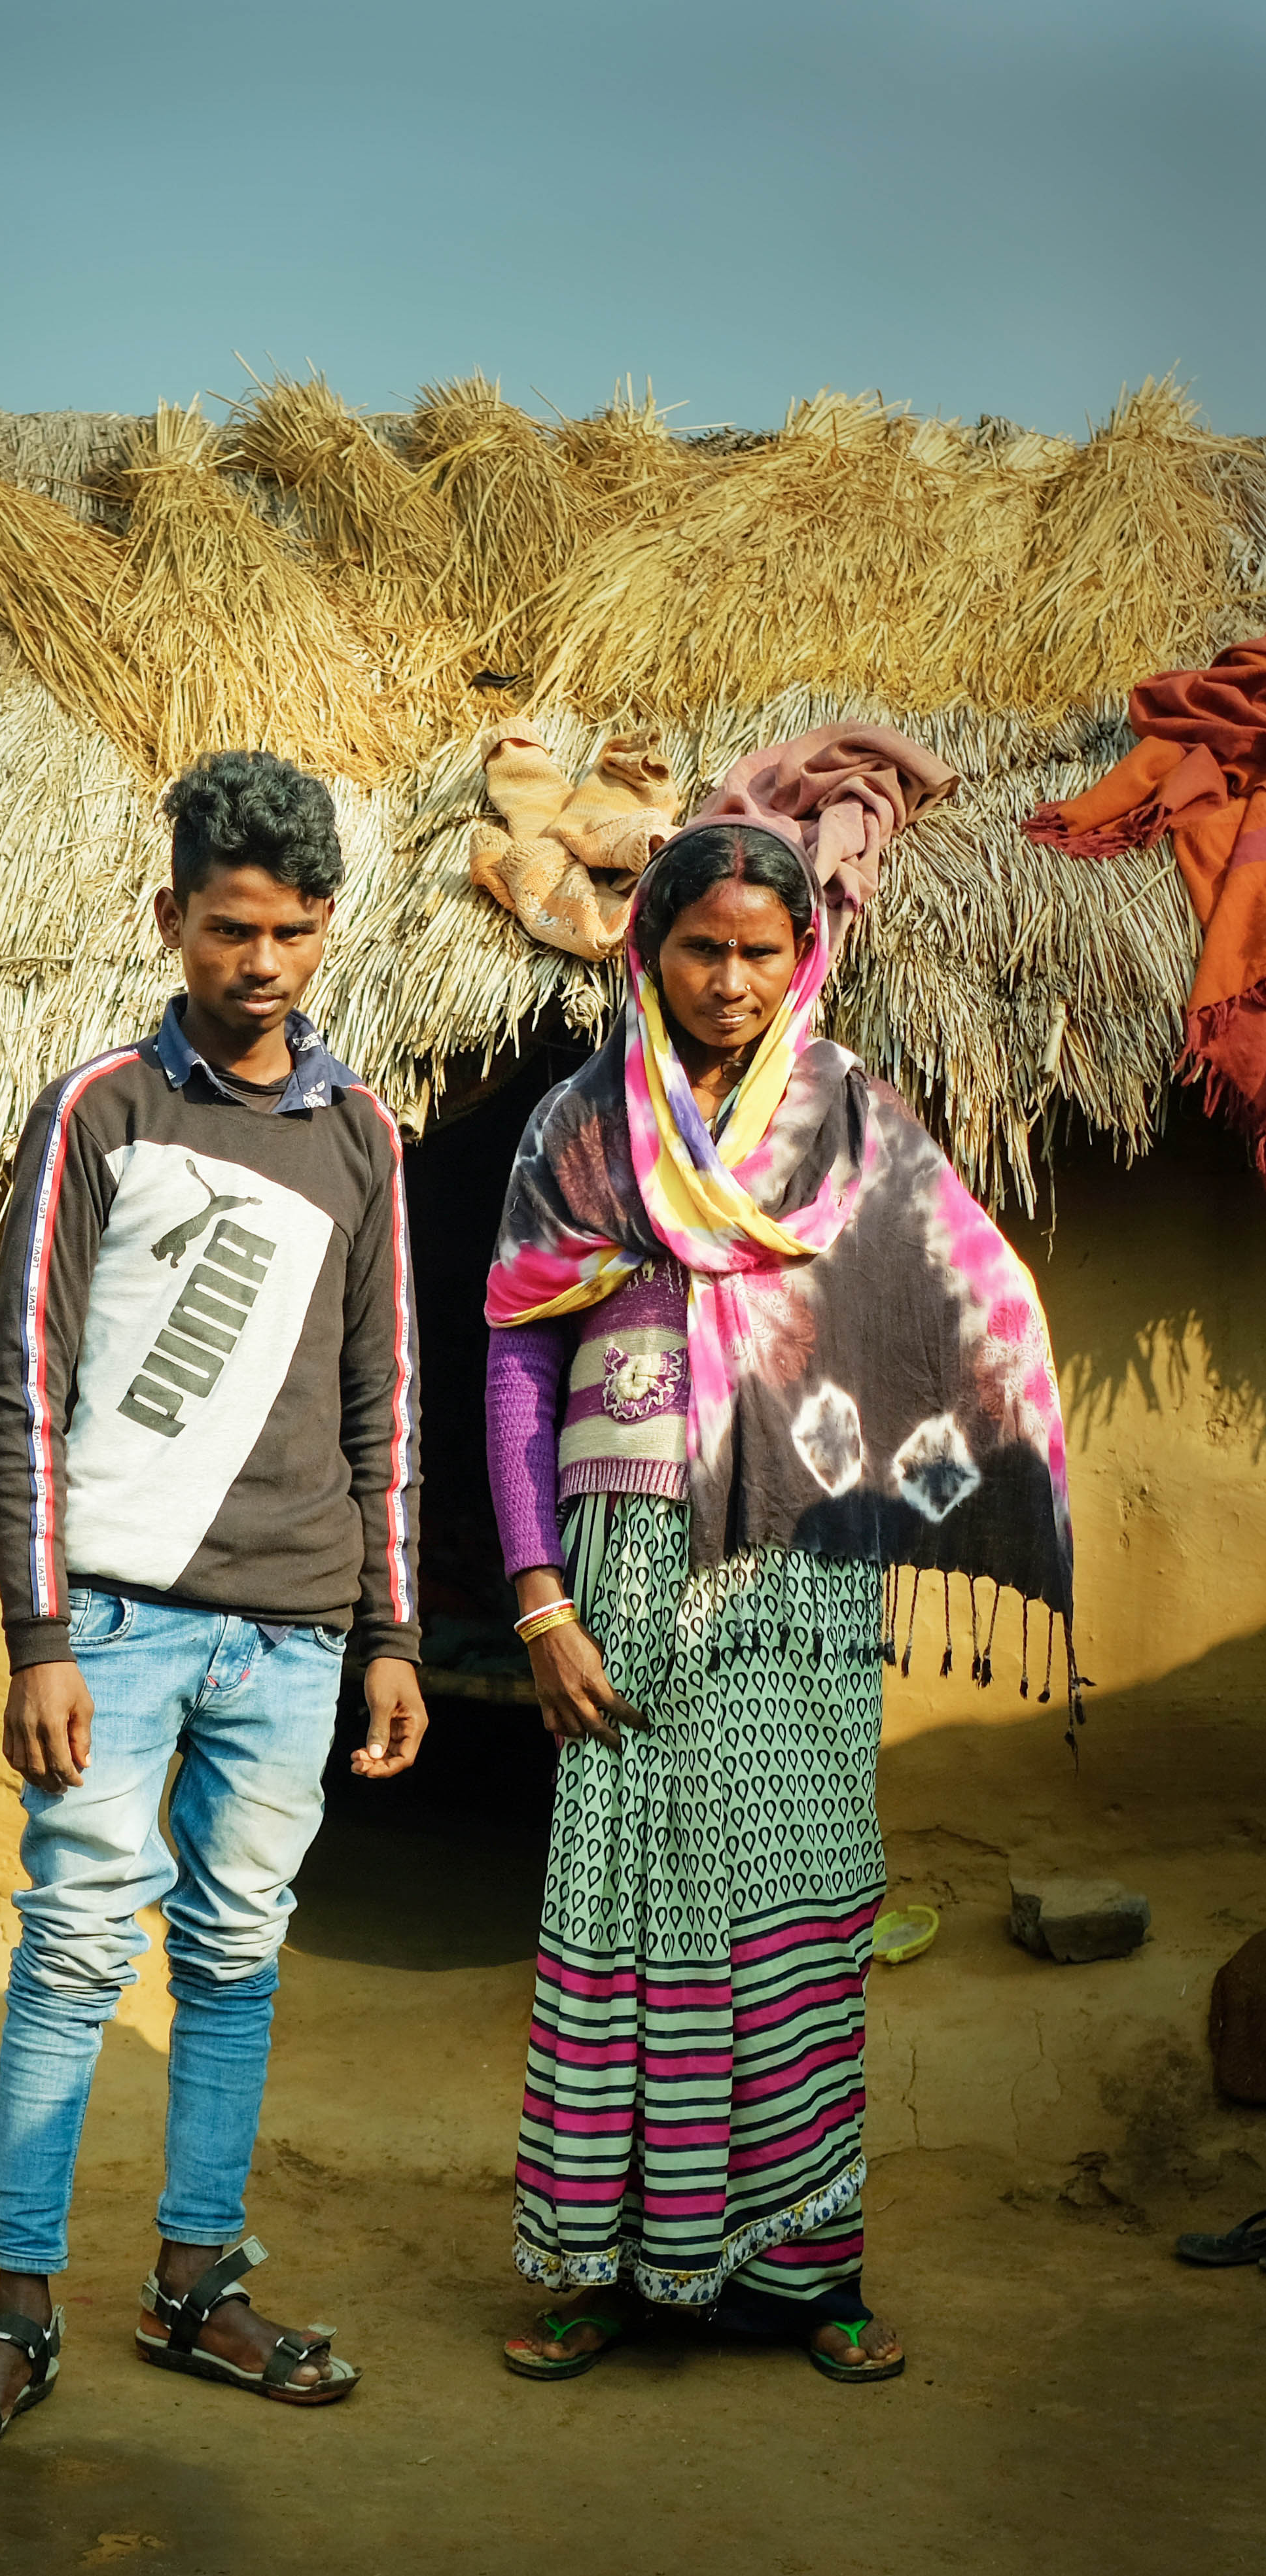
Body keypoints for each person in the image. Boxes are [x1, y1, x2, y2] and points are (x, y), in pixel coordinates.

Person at [484, 745, 1075, 2386]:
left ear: (799, 952)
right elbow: (515, 1362)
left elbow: (966, 1304)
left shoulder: (850, 1124)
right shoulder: (577, 1130)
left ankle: (803, 2274)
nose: (729, 979)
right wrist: (535, 1592)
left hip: (803, 1569)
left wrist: (931, 1458)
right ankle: (604, 2267)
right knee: (621, 1902)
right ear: (647, 951)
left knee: (794, 1911)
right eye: (699, 949)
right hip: (620, 1558)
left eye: (759, 950)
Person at [0, 749, 426, 2454]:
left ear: (327, 931)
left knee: (234, 1954)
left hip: (297, 1632)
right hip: (114, 1624)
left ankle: (196, 2281)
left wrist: (394, 1631)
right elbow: (22, 1384)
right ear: (169, 921)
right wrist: (37, 1634)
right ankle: (18, 2303)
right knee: (70, 1946)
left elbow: (385, 1402)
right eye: (223, 930)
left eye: (284, 932)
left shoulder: (361, 1139)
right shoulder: (100, 1109)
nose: (255, 962)